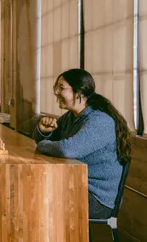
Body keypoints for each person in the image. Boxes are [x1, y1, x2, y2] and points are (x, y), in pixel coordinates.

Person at [33, 68, 132, 219]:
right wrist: (45, 132)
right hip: (76, 185)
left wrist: (42, 145)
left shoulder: (100, 121)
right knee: (32, 191)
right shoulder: (70, 117)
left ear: (80, 91)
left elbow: (66, 150)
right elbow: (51, 145)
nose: (56, 92)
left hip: (97, 198)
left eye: (61, 88)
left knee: (36, 199)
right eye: (56, 87)